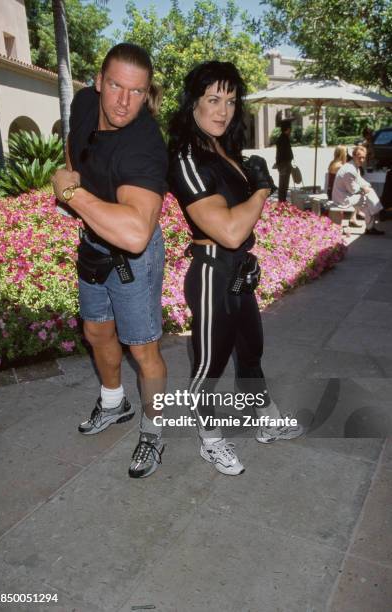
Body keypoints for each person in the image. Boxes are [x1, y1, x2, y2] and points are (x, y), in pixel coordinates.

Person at [168, 61, 303, 476]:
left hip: (240, 269)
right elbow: (228, 230)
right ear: (193, 103)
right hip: (212, 271)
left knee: (251, 350)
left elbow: (240, 229)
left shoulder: (225, 151)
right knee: (210, 364)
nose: (222, 110)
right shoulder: (187, 157)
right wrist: (261, 189)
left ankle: (263, 418)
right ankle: (210, 439)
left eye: (230, 101)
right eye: (212, 99)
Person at [52, 43, 168, 478]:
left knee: (143, 348)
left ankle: (154, 432)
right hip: (92, 246)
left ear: (147, 94)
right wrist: (74, 172)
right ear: (99, 82)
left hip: (130, 259)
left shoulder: (145, 145)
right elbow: (74, 144)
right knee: (96, 330)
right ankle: (114, 402)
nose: (124, 101)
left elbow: (136, 235)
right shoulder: (84, 103)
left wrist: (70, 192)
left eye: (137, 92)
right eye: (116, 85)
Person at [332, 145, 384, 235]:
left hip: (346, 195)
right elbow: (353, 190)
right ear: (354, 156)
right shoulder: (349, 170)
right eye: (360, 158)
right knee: (368, 197)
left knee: (368, 198)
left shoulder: (353, 166)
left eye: (364, 158)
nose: (362, 160)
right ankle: (377, 212)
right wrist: (364, 189)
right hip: (342, 198)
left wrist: (367, 186)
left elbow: (359, 180)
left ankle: (370, 226)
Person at [275, 120, 293, 202]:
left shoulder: (283, 138)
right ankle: (282, 201)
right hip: (284, 164)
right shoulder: (283, 139)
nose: (291, 130)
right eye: (290, 128)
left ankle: (282, 200)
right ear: (287, 129)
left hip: (284, 164)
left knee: (284, 184)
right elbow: (284, 153)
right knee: (283, 185)